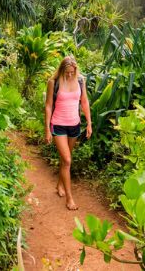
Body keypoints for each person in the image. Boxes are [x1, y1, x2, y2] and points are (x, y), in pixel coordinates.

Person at [44, 55, 92, 210]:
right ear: (62, 70)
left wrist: (89, 124)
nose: (70, 75)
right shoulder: (54, 83)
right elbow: (48, 106)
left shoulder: (80, 80)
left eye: (72, 72)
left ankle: (60, 184)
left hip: (74, 125)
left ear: (75, 70)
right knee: (67, 160)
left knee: (66, 160)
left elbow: (84, 101)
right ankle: (70, 199)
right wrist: (47, 129)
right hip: (58, 125)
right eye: (67, 72)